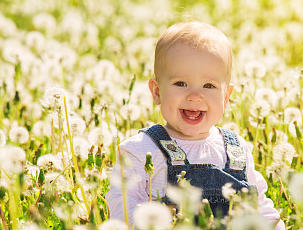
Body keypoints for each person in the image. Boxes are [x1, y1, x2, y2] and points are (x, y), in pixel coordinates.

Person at [105, 21, 285, 229]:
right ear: (156, 91)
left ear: (226, 97)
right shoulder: (140, 150)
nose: (195, 96)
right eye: (180, 83)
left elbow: (260, 206)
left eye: (209, 86)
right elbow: (123, 211)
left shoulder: (236, 150)